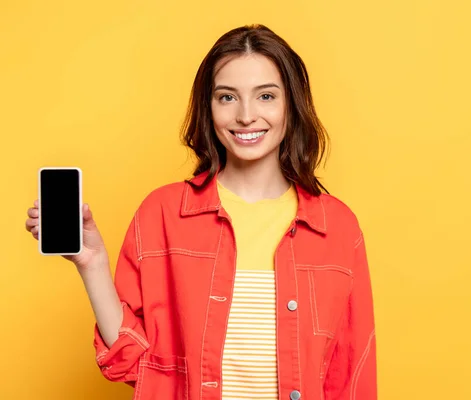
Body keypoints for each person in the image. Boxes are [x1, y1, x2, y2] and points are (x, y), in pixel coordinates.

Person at [25, 24, 377, 400]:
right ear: (207, 107)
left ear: (292, 104)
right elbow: (131, 363)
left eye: (266, 96)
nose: (246, 116)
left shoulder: (337, 227)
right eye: (227, 97)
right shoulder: (162, 213)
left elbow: (352, 372)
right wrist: (91, 263)